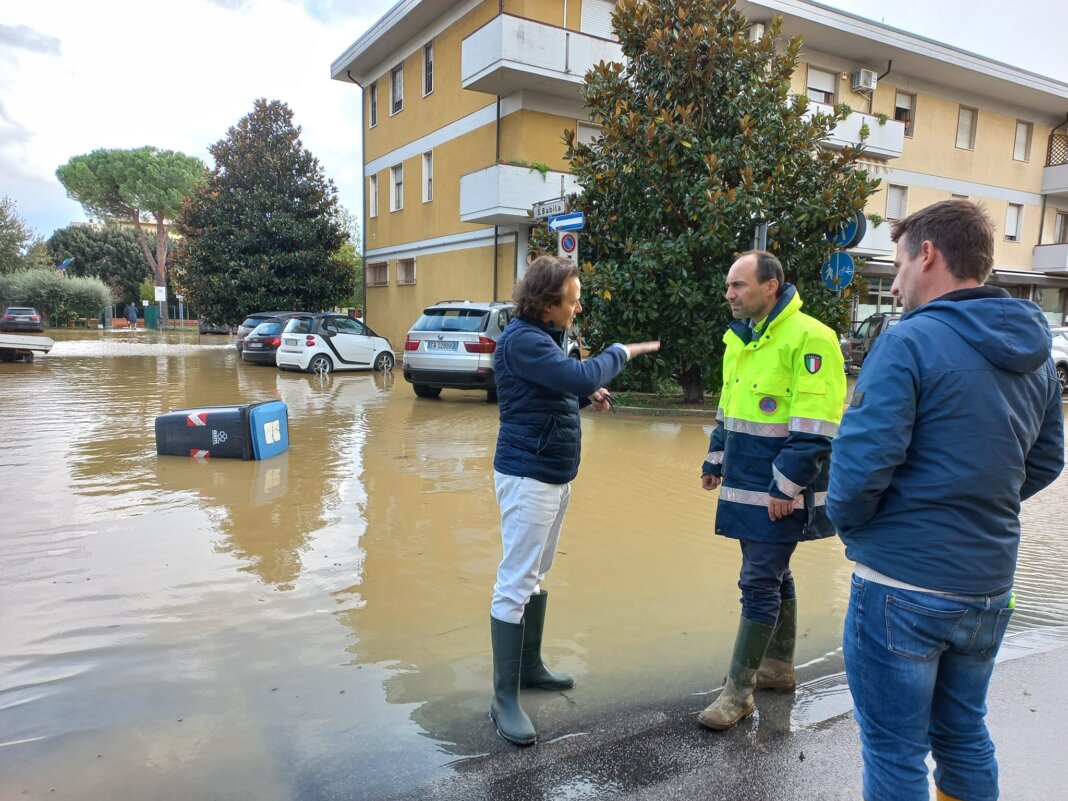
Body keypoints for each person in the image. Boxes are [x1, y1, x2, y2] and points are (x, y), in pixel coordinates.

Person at [827, 199, 1063, 801]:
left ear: (927, 254)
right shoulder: (1036, 356)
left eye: (900, 266)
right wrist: (984, 503)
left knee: (894, 750)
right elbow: (1045, 462)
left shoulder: (908, 342)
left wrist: (858, 529)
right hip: (989, 586)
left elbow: (857, 471)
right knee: (963, 735)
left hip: (902, 586)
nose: (898, 282)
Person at [489, 254, 659, 746]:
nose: (578, 308)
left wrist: (587, 397)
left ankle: (530, 667)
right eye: (573, 300)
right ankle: (503, 699)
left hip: (552, 473)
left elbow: (561, 389)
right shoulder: (522, 340)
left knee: (536, 575)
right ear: (547, 304)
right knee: (515, 582)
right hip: (529, 476)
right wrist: (620, 352)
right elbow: (578, 375)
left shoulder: (541, 340)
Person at [698, 250, 845, 731]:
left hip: (780, 490)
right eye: (728, 285)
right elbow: (728, 410)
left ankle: (738, 693)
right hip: (745, 484)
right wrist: (714, 460)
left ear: (771, 287)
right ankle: (779, 668)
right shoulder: (739, 339)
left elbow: (816, 427)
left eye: (738, 285)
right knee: (772, 572)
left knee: (759, 580)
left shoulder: (811, 338)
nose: (729, 295)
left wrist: (788, 486)